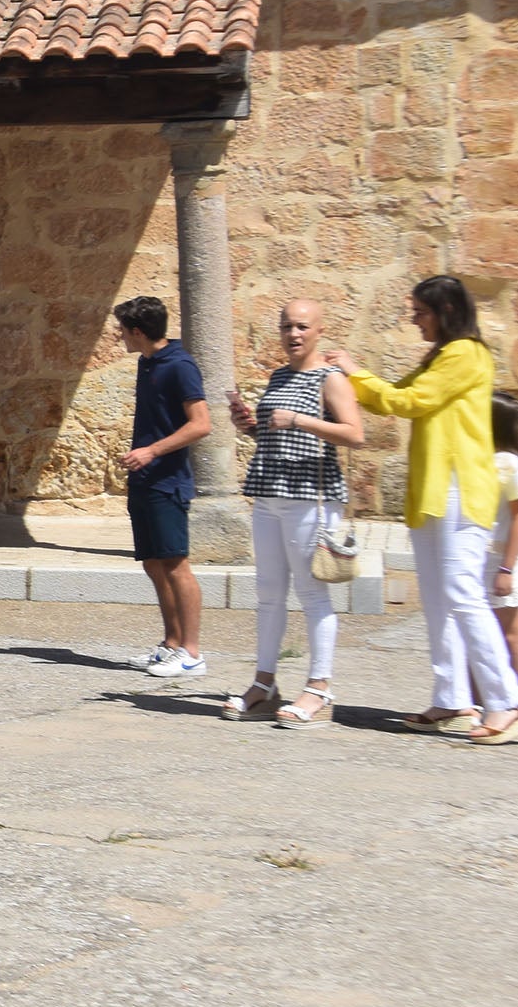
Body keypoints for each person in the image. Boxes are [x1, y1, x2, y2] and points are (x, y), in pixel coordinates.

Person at [332, 275, 518, 742]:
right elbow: (389, 397)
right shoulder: (439, 355)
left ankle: (504, 700)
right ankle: (452, 696)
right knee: (437, 599)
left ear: (446, 312)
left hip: (461, 488)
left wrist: (353, 370)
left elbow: (411, 401)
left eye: (421, 312)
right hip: (432, 491)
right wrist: (351, 379)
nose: (414, 320)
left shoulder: (467, 354)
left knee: (462, 593)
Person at [221, 300, 364, 727]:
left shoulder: (331, 377)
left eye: (302, 326)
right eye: (287, 326)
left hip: (310, 497)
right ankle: (264, 684)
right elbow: (274, 430)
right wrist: (250, 424)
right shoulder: (279, 375)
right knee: (268, 591)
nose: (293, 334)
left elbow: (355, 434)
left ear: (319, 330)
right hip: (268, 493)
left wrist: (299, 419)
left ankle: (319, 687)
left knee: (312, 592)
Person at [115, 296, 214, 678]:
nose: (119, 336)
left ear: (137, 332)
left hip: (168, 480)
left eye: (122, 330)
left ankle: (192, 652)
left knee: (176, 565)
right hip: (145, 479)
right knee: (154, 564)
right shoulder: (148, 362)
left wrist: (151, 452)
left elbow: (201, 424)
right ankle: (171, 645)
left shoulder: (180, 366)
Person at [490, 393, 518, 676]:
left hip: (501, 559)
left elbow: (517, 517)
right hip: (485, 559)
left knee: (510, 634)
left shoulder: (510, 464)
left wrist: (506, 568)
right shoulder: (487, 459)